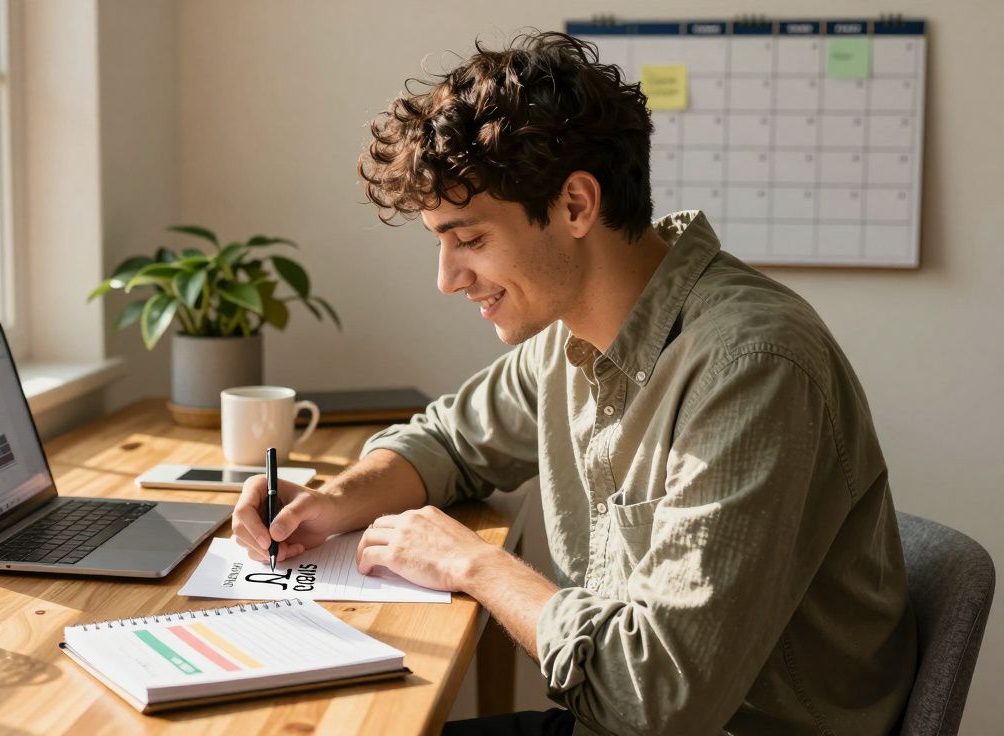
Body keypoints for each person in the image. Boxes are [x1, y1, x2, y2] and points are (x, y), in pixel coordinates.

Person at [230, 31, 916, 735]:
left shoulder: (753, 368)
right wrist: (330, 502)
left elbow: (659, 701)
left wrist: (474, 565)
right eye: (440, 243)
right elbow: (449, 442)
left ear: (577, 205)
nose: (447, 279)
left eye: (469, 240)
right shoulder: (572, 338)